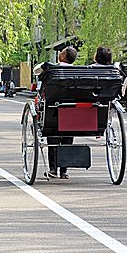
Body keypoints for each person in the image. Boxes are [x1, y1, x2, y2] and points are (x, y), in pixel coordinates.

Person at [46, 46, 78, 180]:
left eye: (62, 52)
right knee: (67, 138)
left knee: (53, 137)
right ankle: (64, 171)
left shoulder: (53, 69)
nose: (60, 53)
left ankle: (53, 168)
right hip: (73, 109)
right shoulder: (78, 71)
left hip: (55, 107)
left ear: (64, 56)